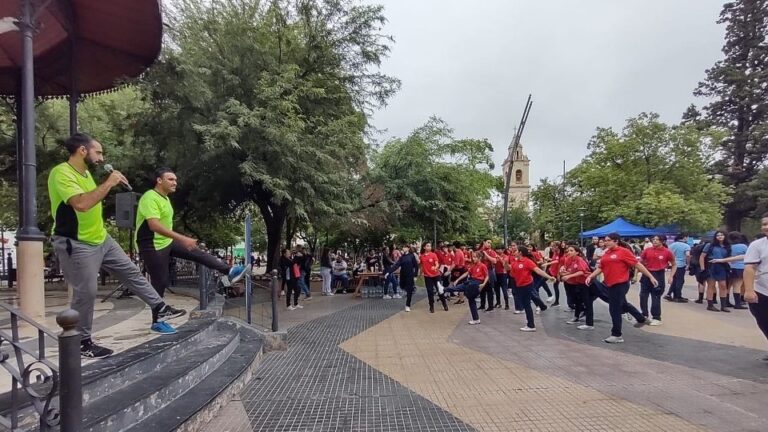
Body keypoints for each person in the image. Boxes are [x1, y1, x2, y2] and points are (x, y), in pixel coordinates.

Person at [48, 133, 185, 358]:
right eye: (98, 152)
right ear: (83, 151)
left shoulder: (86, 175)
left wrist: (108, 185)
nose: (101, 158)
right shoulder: (61, 173)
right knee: (87, 291)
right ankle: (82, 342)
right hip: (76, 243)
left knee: (131, 272)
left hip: (101, 238)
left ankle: (160, 308)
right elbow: (82, 204)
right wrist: (109, 183)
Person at [136, 167, 250, 299]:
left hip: (165, 241)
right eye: (171, 179)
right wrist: (183, 238)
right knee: (160, 282)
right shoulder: (150, 197)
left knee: (197, 252)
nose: (175, 183)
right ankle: (158, 318)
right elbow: (154, 225)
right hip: (151, 245)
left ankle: (230, 271)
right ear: (159, 180)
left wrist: (182, 240)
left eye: (175, 180)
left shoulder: (165, 199)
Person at [586, 233, 655, 344]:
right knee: (622, 304)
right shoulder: (606, 253)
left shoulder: (623, 252)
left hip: (620, 283)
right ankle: (641, 318)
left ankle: (617, 334)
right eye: (605, 240)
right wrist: (591, 276)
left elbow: (637, 264)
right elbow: (601, 267)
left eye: (608, 240)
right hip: (609, 283)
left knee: (614, 308)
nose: (605, 242)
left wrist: (650, 276)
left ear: (616, 241)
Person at [509, 246, 555, 332]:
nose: (514, 252)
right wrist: (504, 263)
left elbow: (538, 270)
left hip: (527, 285)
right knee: (526, 304)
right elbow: (511, 273)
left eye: (516, 251)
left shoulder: (527, 261)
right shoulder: (515, 262)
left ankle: (531, 325)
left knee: (527, 305)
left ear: (520, 252)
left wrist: (549, 277)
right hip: (519, 285)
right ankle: (531, 321)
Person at [742, 213, 768, 362]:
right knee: (763, 320)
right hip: (762, 290)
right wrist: (749, 290)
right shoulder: (757, 245)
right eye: (764, 224)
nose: (766, 227)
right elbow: (750, 267)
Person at [638, 235, 675, 325]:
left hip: (659, 274)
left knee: (655, 296)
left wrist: (671, 276)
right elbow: (640, 262)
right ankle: (644, 314)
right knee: (643, 295)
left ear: (662, 241)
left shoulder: (667, 252)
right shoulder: (647, 250)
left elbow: (674, 264)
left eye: (657, 239)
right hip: (647, 273)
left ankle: (656, 317)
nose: (654, 241)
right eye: (653, 239)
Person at [449, 251, 489, 324]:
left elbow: (487, 276)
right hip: (471, 282)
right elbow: (467, 273)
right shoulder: (473, 266)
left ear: (479, 258)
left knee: (468, 296)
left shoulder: (483, 266)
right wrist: (458, 279)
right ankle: (476, 318)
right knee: (470, 299)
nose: (473, 259)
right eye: (473, 257)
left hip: (475, 283)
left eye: (475, 257)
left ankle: (476, 318)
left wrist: (483, 284)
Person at [560, 246, 594, 330]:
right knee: (577, 301)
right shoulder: (568, 259)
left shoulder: (580, 260)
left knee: (588, 302)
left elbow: (582, 271)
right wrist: (564, 272)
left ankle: (589, 324)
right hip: (579, 283)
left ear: (577, 252)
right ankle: (577, 317)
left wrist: (568, 276)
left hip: (586, 283)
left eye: (571, 250)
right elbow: (570, 270)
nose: (569, 252)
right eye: (568, 251)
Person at [701, 231, 731, 312]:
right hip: (711, 266)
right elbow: (702, 256)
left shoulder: (727, 246)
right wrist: (702, 268)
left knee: (723, 285)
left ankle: (723, 306)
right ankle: (710, 305)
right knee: (711, 285)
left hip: (722, 266)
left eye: (721, 235)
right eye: (718, 235)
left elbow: (729, 257)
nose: (720, 236)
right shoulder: (710, 245)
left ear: (725, 236)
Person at [387, 244, 419, 312]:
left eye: (405, 247)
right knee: (402, 286)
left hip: (410, 275)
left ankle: (408, 305)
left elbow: (416, 266)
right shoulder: (402, 257)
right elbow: (396, 265)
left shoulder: (412, 256)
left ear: (408, 248)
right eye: (403, 247)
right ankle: (409, 290)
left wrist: (415, 275)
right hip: (403, 275)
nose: (403, 249)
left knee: (409, 290)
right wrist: (389, 272)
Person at [420, 242, 449, 313]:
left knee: (439, 290)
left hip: (436, 275)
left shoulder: (433, 255)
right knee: (430, 291)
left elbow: (437, 263)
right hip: (427, 276)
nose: (429, 247)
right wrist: (420, 274)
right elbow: (421, 266)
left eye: (430, 246)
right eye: (427, 246)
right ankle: (431, 306)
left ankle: (444, 303)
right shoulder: (422, 256)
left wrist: (435, 267)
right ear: (424, 247)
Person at [665, 234, 691, 303]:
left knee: (674, 280)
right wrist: (688, 263)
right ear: (684, 237)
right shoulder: (686, 246)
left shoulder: (672, 245)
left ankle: (669, 294)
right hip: (681, 265)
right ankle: (677, 296)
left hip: (673, 264)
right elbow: (688, 255)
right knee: (680, 281)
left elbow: (667, 254)